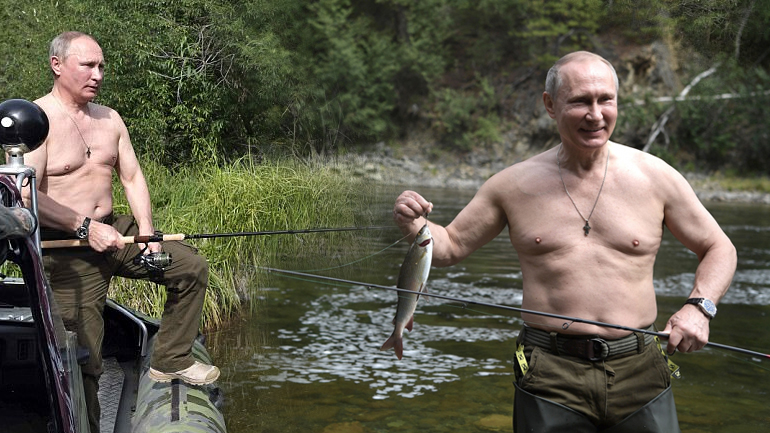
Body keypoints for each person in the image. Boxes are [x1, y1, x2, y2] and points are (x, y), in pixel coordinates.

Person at [393, 51, 737, 432]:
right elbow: (450, 246)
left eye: (605, 99)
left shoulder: (656, 178)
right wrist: (417, 224)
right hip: (548, 371)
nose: (595, 114)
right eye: (579, 101)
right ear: (550, 105)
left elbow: (719, 247)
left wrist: (699, 308)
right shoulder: (512, 185)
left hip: (641, 369)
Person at [23, 31, 219, 433]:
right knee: (84, 359)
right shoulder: (36, 121)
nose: (97, 75)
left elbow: (131, 176)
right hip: (66, 251)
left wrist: (147, 233)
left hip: (117, 234)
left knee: (189, 266)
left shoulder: (109, 118)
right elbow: (26, 197)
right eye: (88, 66)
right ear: (57, 65)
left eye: (101, 66)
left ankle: (171, 358)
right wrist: (84, 227)